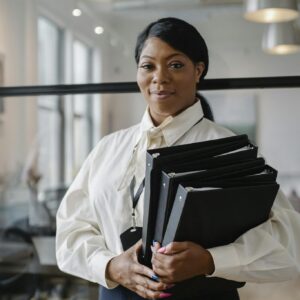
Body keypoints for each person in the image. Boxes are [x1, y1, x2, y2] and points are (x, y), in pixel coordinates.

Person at [56, 17, 300, 300]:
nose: (160, 77)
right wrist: (110, 265)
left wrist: (211, 260)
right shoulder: (108, 148)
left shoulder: (229, 150)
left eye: (175, 65)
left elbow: (288, 242)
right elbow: (69, 230)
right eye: (148, 66)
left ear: (198, 70)